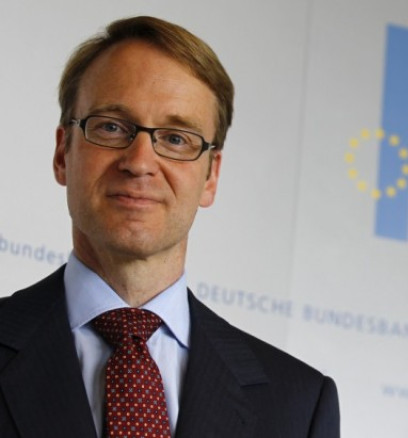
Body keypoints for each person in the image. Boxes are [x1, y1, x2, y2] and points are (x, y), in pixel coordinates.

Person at [0, 16, 339, 438]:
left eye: (177, 138)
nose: (140, 162)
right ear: (62, 154)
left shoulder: (298, 405)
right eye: (111, 127)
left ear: (210, 176)